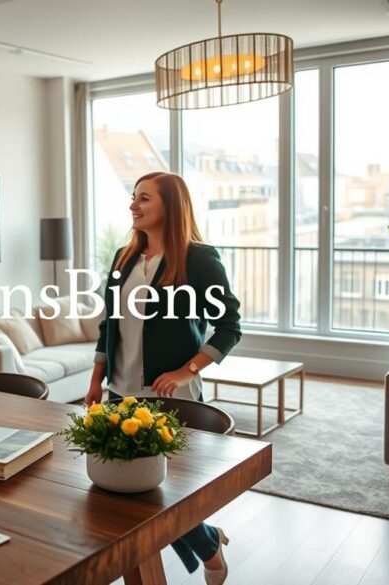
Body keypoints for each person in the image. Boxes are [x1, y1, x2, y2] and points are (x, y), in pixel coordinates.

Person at [84, 171, 241, 585]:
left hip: (172, 397)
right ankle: (209, 542)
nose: (133, 206)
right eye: (133, 198)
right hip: (120, 393)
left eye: (145, 199)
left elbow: (229, 327)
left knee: (164, 493)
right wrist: (95, 379)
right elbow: (108, 326)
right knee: (137, 498)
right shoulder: (123, 257)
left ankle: (207, 546)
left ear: (171, 206)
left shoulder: (199, 258)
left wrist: (184, 370)